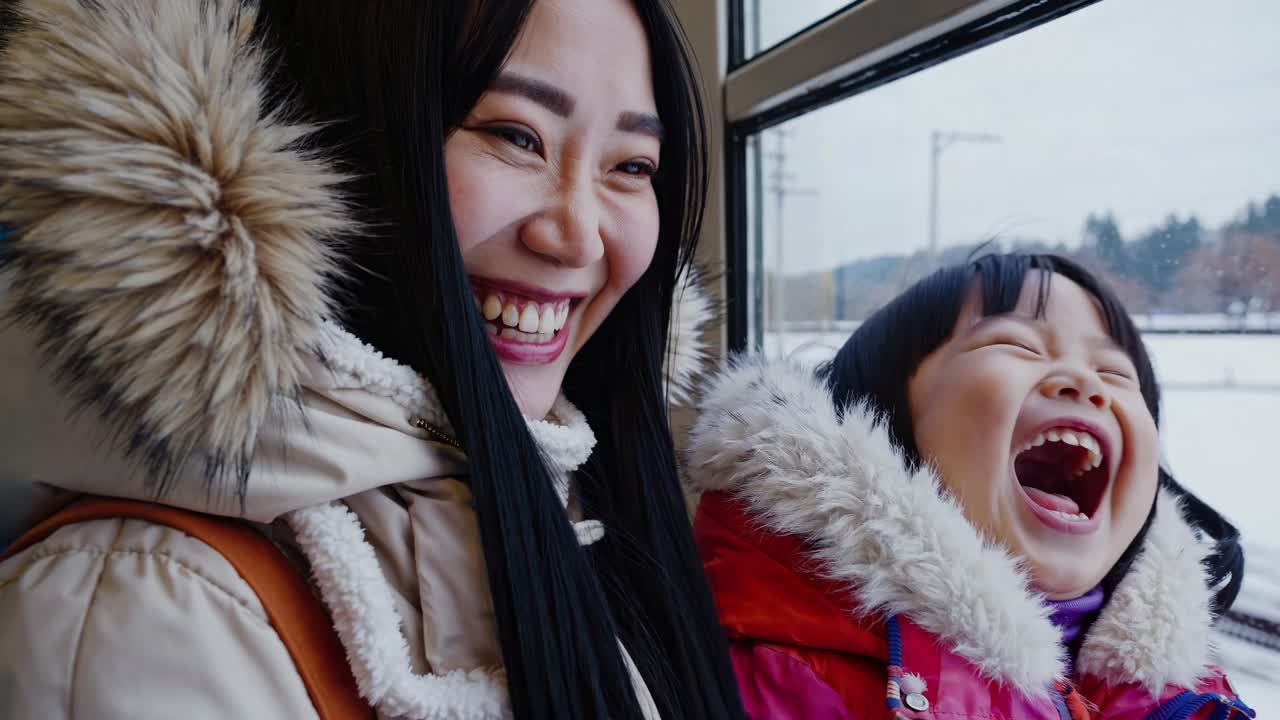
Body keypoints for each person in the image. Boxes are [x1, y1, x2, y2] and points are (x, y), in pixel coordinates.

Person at [0, 1, 744, 718]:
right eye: (517, 136)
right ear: (323, 135)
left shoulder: (585, 508)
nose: (578, 237)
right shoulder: (146, 609)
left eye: (631, 166)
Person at [687, 253, 1254, 719]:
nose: (1087, 383)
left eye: (1116, 373)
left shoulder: (1190, 697)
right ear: (885, 420)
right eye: (1019, 345)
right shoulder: (775, 682)